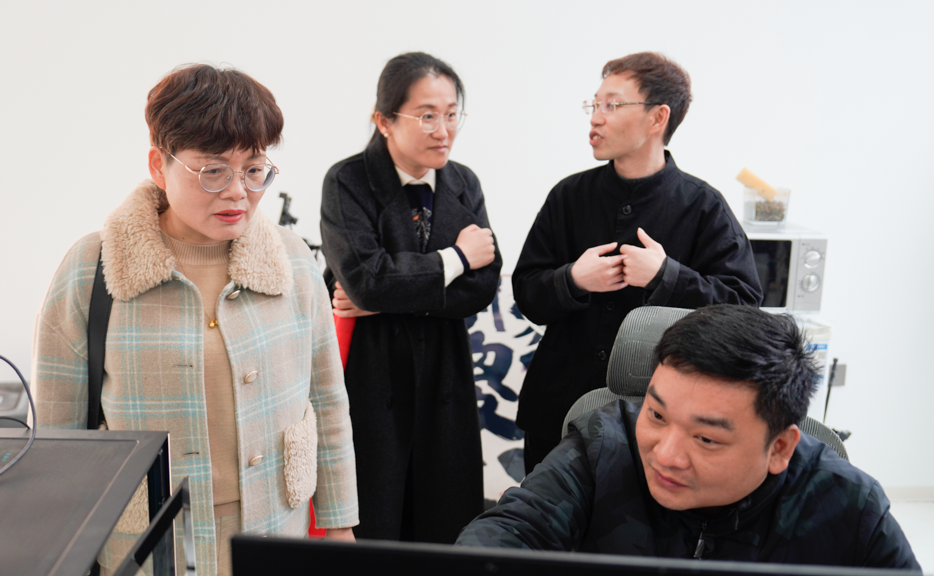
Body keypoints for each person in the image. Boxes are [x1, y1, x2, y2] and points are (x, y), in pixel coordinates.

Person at [33, 64, 358, 576]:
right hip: (148, 546)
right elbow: (59, 434)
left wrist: (339, 524)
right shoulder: (93, 267)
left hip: (276, 532)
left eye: (254, 169)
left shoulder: (292, 260)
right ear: (159, 166)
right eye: (213, 170)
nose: (238, 191)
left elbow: (326, 400)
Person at [457, 305, 920, 568]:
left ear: (779, 447)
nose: (666, 455)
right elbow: (510, 531)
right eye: (657, 415)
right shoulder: (603, 444)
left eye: (706, 439)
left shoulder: (846, 502)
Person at [512, 52, 763, 474]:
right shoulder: (568, 196)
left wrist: (668, 277)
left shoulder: (703, 206)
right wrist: (572, 280)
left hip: (660, 421)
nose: (596, 118)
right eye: (594, 105)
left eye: (612, 105)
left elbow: (743, 306)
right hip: (556, 410)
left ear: (657, 118)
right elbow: (527, 293)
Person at [320, 52, 501, 544]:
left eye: (451, 114)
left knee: (445, 516)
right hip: (372, 368)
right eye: (427, 116)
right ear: (384, 120)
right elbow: (365, 279)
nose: (443, 130)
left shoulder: (463, 182)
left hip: (445, 370)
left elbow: (483, 285)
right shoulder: (348, 181)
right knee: (372, 513)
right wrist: (456, 259)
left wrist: (389, 296)